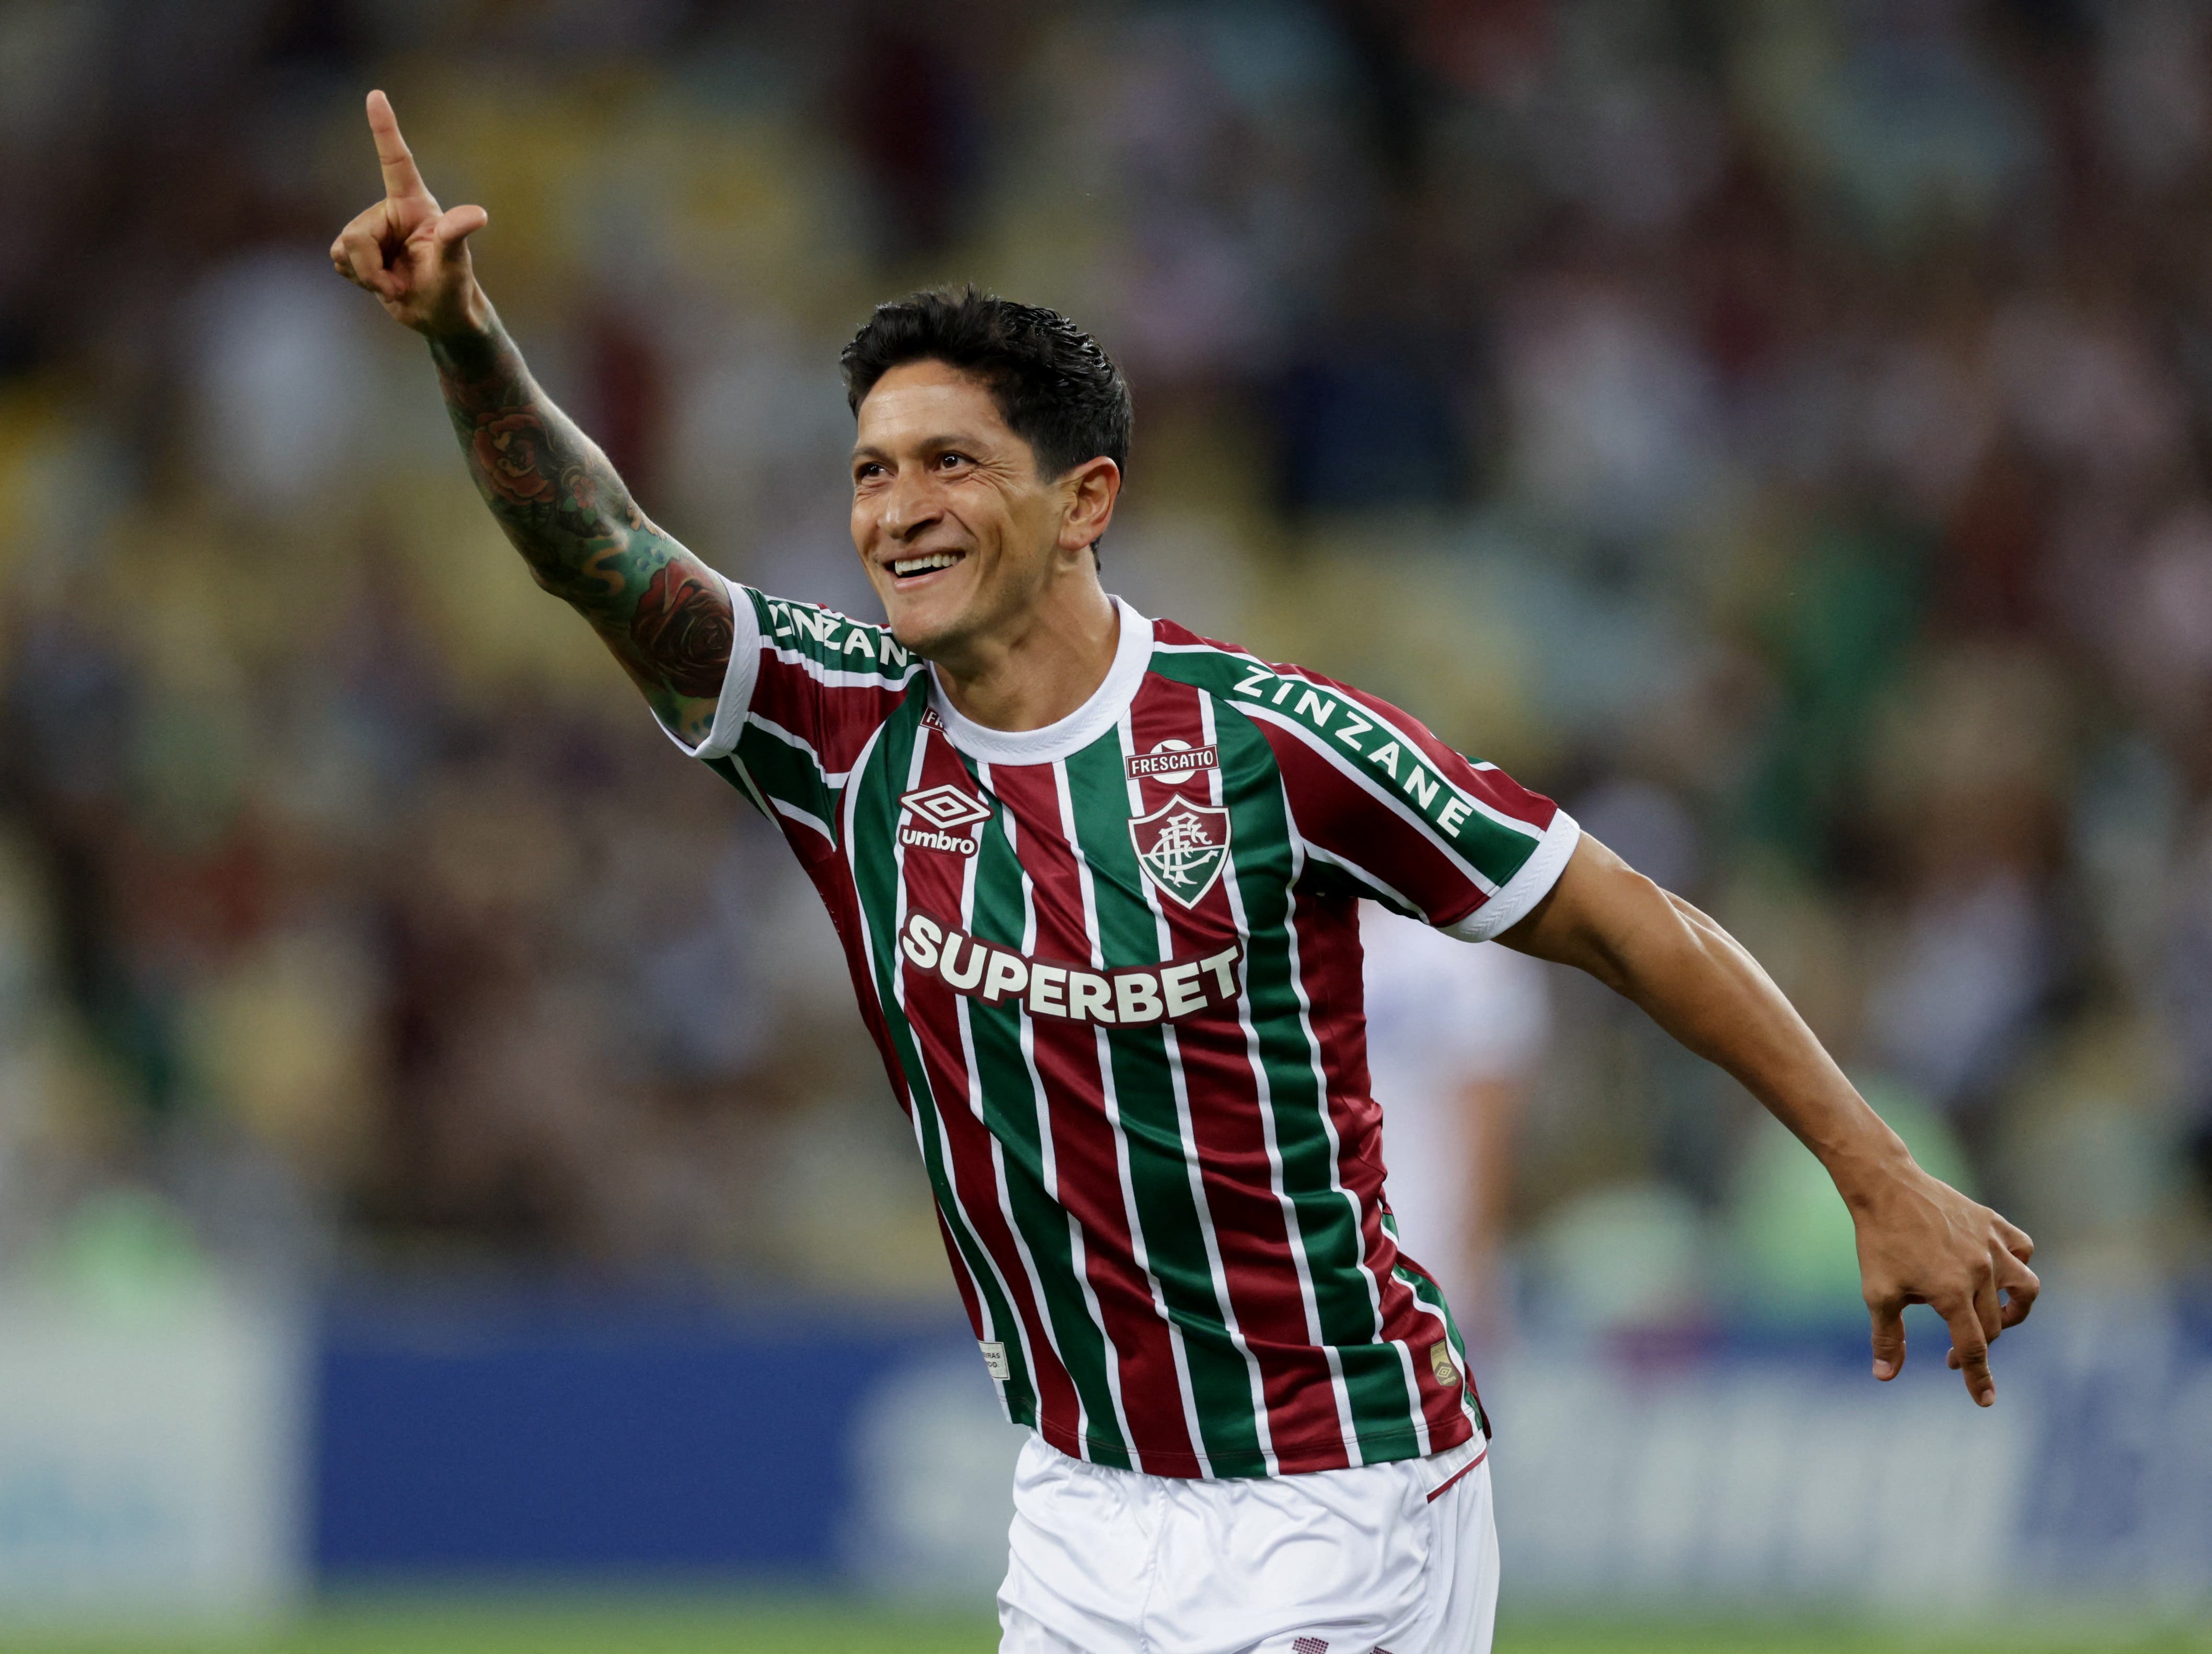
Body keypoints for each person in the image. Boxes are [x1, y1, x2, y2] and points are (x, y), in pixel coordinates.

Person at [329, 90, 2040, 1654]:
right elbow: (601, 553)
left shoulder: (1273, 745)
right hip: (1076, 1503)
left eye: (949, 463)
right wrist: (466, 338)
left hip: (1339, 1490)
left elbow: (1618, 914)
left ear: (1085, 500)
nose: (895, 508)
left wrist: (1871, 1165)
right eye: (867, 469)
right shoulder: (836, 732)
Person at [1359, 901, 1550, 1349]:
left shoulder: (1462, 945)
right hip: (1322, 1255)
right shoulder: (1279, 932)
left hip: (1433, 1251)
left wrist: (1475, 1255)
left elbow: (1493, 1118)